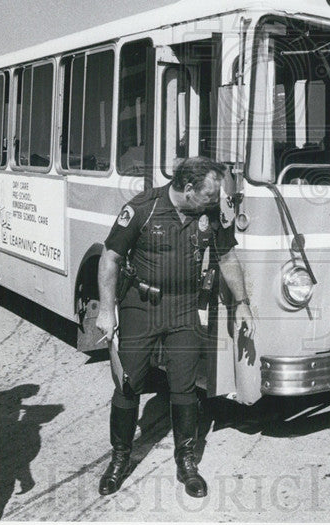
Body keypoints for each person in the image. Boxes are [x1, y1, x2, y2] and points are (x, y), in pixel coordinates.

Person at [93, 157, 256, 498]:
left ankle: (187, 463)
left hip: (184, 308)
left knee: (184, 387)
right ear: (187, 188)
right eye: (209, 195)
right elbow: (110, 256)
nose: (215, 201)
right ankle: (120, 459)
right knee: (128, 385)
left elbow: (226, 257)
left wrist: (241, 302)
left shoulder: (210, 213)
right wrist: (107, 310)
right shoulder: (143, 208)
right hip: (141, 306)